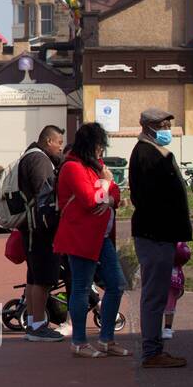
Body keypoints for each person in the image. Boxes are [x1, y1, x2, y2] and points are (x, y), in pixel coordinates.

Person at [52, 123, 128, 359]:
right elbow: (89, 199)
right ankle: (79, 341)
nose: (101, 152)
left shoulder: (95, 167)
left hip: (100, 236)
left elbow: (116, 195)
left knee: (116, 284)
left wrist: (106, 195)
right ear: (91, 146)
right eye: (99, 147)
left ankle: (106, 339)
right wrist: (106, 187)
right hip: (81, 236)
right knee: (81, 288)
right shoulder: (73, 168)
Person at [128, 108, 192, 368]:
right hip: (155, 233)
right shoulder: (146, 154)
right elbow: (148, 197)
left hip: (161, 232)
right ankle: (152, 351)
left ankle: (154, 349)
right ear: (146, 126)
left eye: (167, 123)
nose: (166, 127)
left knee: (157, 292)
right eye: (161, 124)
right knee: (155, 294)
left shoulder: (155, 151)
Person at [18, 124, 66, 342]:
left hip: (31, 227)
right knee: (43, 279)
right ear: (48, 141)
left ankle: (32, 322)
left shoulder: (30, 155)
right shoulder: (39, 160)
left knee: (34, 276)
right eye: (59, 143)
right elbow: (45, 196)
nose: (60, 147)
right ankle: (37, 325)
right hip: (40, 228)